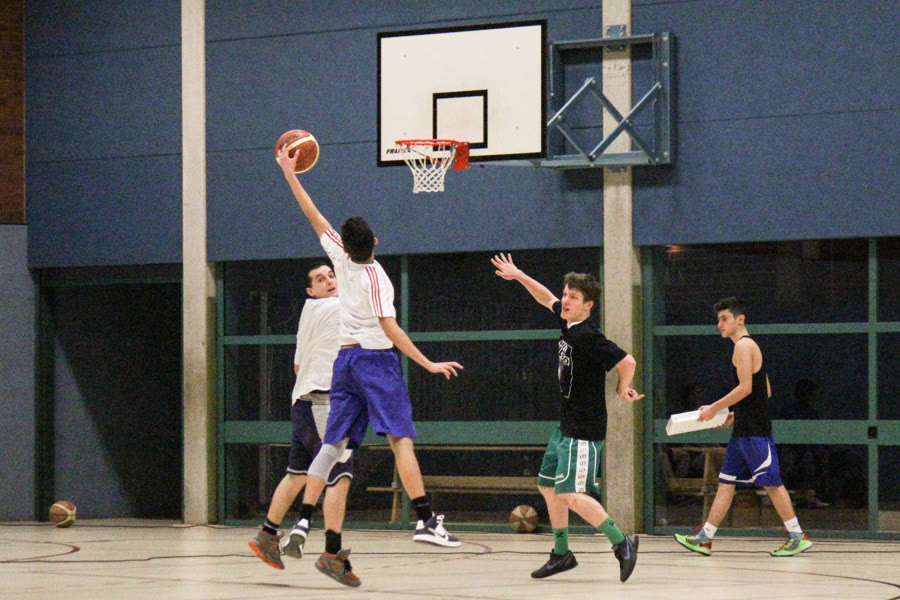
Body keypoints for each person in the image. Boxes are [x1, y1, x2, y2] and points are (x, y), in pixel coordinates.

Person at [274, 144, 464, 587]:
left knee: (333, 445)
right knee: (400, 440)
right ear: (375, 243)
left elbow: (313, 215)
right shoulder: (377, 278)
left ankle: (308, 526)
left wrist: (290, 174)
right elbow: (390, 328)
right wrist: (427, 362)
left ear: (345, 246)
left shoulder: (338, 258)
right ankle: (425, 521)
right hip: (375, 362)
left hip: (343, 362)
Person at [491, 252, 642, 583]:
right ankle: (561, 553)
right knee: (547, 486)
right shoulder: (568, 323)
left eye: (573, 297)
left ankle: (622, 542)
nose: (566, 300)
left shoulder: (588, 336)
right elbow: (545, 297)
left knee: (571, 495)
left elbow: (627, 362)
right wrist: (519, 275)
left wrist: (622, 388)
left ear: (588, 305)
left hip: (584, 431)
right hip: (565, 427)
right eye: (566, 294)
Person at [674, 296, 813, 557]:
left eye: (724, 319)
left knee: (772, 484)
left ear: (740, 320)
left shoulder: (743, 346)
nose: (720, 324)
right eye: (718, 320)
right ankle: (704, 538)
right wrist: (734, 415)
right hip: (743, 431)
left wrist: (714, 409)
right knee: (725, 483)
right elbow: (765, 391)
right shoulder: (748, 347)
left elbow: (746, 388)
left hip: (755, 433)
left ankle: (797, 536)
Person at [248, 261, 355, 571]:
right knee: (339, 475)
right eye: (321, 279)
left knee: (298, 474)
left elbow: (297, 367)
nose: (329, 280)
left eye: (331, 275)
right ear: (312, 291)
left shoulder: (309, 312)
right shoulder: (335, 306)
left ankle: (267, 534)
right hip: (322, 402)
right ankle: (332, 555)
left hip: (302, 402)